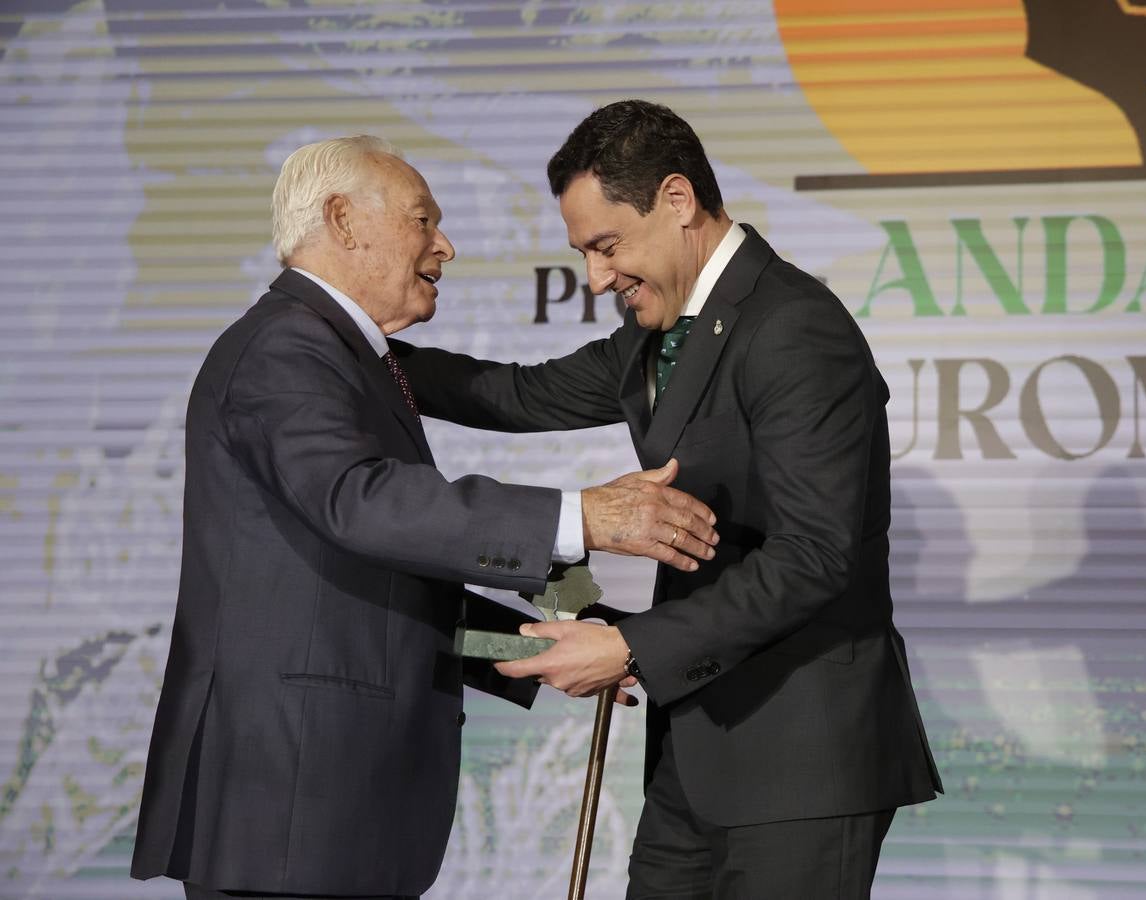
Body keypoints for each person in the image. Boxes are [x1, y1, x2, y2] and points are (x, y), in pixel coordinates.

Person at [130, 134, 717, 900]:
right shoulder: (285, 350)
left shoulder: (340, 357)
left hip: (332, 816)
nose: (444, 245)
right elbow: (363, 503)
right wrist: (584, 516)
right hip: (291, 810)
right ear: (342, 219)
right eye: (422, 219)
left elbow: (387, 591)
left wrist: (562, 640)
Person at [397, 101, 943, 899]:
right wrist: (360, 351)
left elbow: (814, 557)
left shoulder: (793, 328)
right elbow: (516, 395)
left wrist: (629, 650)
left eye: (606, 246)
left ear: (678, 201)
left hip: (800, 765)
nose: (596, 278)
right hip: (697, 750)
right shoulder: (657, 332)